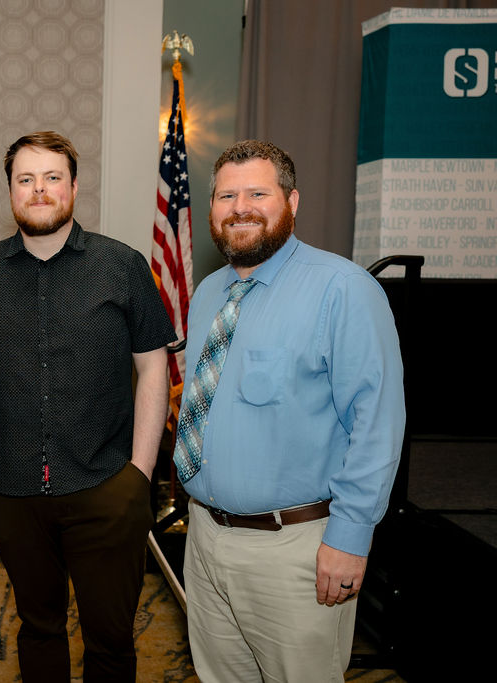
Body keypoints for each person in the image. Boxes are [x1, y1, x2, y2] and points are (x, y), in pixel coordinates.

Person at [177, 139, 405, 682]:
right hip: (204, 538)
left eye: (258, 193)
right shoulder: (207, 293)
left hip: (296, 550)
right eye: (227, 196)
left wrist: (349, 538)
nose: (240, 208)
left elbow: (376, 424)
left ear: (292, 201)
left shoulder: (344, 290)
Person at [0, 131, 175, 682]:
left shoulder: (122, 265)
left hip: (107, 484)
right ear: (10, 191)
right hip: (11, 490)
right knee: (38, 628)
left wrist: (139, 473)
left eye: (52, 177)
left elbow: (154, 368)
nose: (39, 189)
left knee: (111, 639)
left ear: (74, 187)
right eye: (25, 179)